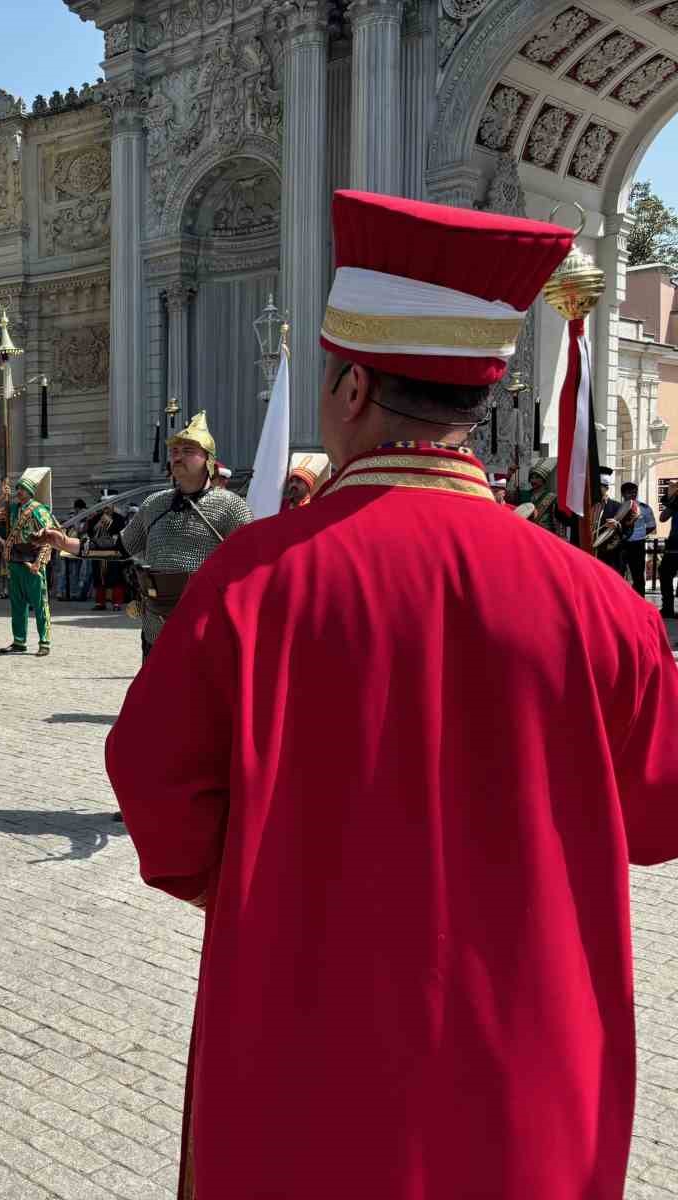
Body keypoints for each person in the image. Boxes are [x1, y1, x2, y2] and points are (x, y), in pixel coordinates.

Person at [107, 188, 678, 1200]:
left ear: (354, 390)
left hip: (303, 1074)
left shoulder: (250, 579)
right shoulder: (603, 607)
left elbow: (156, 789)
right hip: (530, 1086)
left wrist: (257, 885)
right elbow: (655, 816)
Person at [48, 412, 252, 662]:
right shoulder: (154, 504)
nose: (178, 456)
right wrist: (66, 543)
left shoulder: (231, 506)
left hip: (205, 624)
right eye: (175, 451)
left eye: (188, 450)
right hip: (157, 622)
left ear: (208, 460)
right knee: (156, 699)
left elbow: (250, 567)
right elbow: (121, 547)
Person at [0, 468, 58, 656]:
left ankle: (45, 641)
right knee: (17, 604)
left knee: (40, 603)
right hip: (15, 560)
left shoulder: (38, 510)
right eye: (17, 489)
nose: (18, 492)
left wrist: (39, 562)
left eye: (22, 489)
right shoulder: (12, 508)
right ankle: (19, 641)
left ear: (30, 492)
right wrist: (2, 496)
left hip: (32, 560)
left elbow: (49, 538)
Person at [613, 480, 656, 592]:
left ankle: (639, 602)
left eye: (634, 492)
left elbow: (651, 525)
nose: (633, 495)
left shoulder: (644, 508)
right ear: (623, 494)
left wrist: (640, 534)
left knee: (638, 576)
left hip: (637, 544)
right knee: (618, 574)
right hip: (621, 544)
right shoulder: (617, 508)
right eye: (629, 493)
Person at [88, 498, 126, 610]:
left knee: (116, 577)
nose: (106, 508)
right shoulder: (95, 518)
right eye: (104, 505)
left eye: (108, 505)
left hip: (113, 551)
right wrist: (97, 526)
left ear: (113, 506)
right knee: (99, 577)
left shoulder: (119, 518)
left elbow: (122, 532)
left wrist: (110, 525)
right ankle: (100, 602)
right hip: (98, 551)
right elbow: (90, 532)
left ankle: (116, 603)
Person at [57, 498, 87, 600]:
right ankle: (62, 592)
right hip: (68, 548)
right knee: (65, 572)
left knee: (75, 572)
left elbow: (80, 531)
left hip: (75, 547)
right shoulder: (71, 519)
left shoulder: (83, 520)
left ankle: (72, 593)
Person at [660, 479, 678, 617]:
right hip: (673, 543)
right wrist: (672, 501)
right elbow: (663, 517)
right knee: (665, 574)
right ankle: (668, 608)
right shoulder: (675, 503)